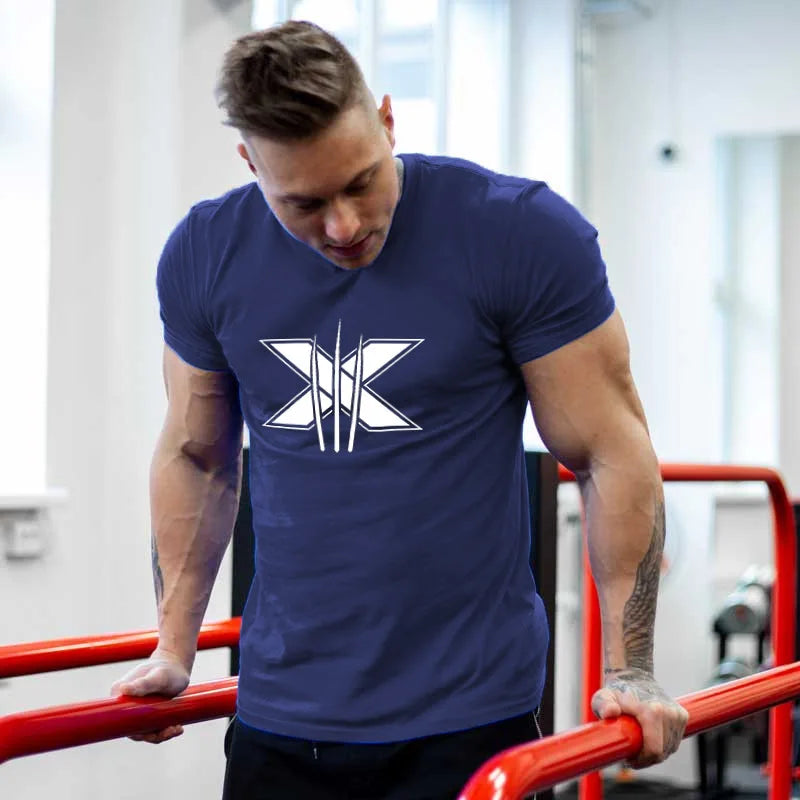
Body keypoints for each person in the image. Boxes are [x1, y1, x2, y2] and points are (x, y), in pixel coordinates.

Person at [111, 19, 688, 800]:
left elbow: (608, 449)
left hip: (468, 720)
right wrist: (173, 649)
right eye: (304, 203)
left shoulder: (515, 232)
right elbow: (197, 456)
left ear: (387, 120)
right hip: (279, 716)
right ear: (250, 164)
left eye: (361, 183)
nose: (343, 226)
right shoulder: (207, 252)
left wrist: (631, 670)